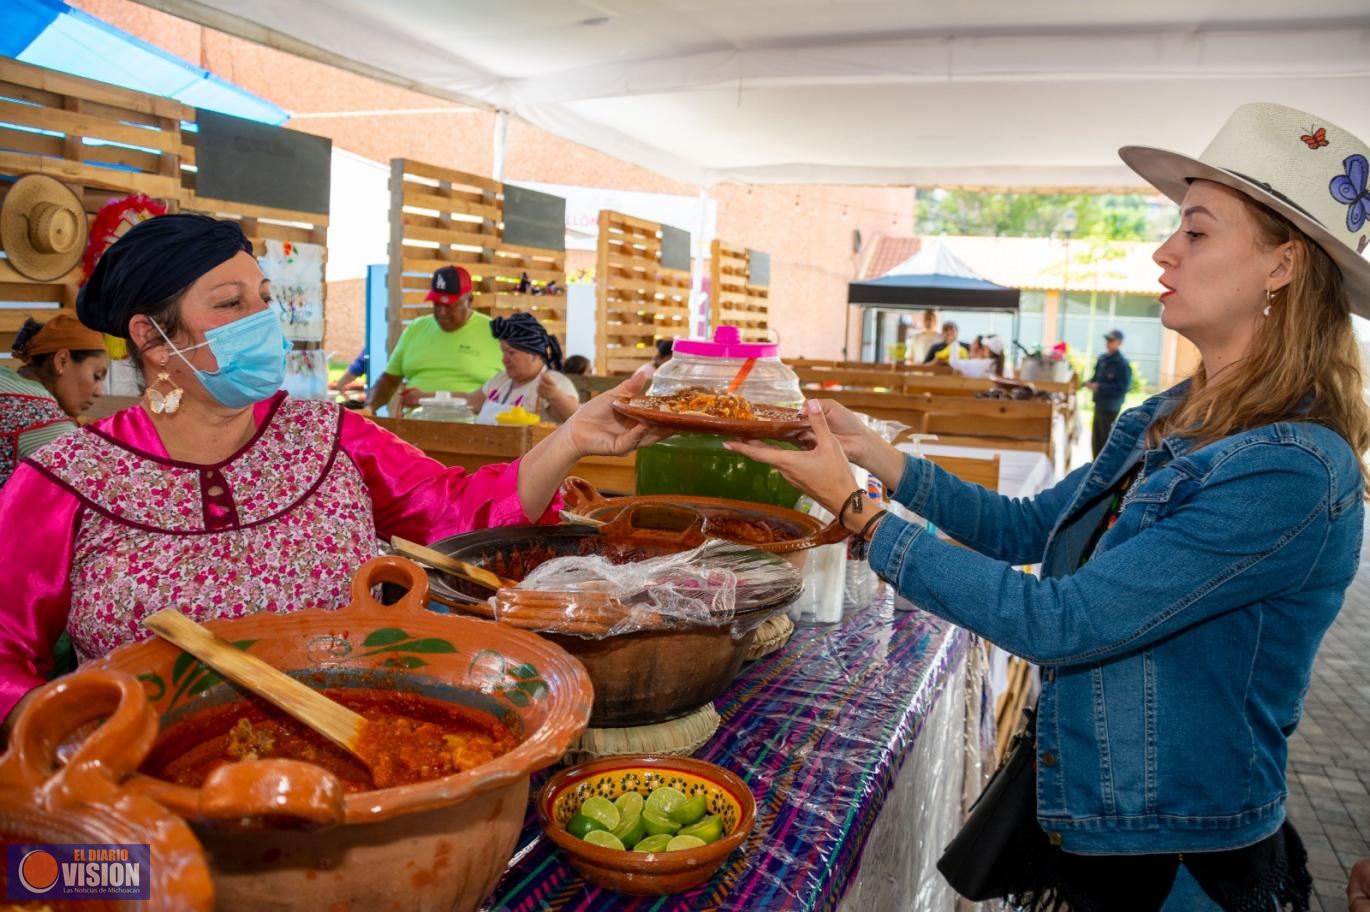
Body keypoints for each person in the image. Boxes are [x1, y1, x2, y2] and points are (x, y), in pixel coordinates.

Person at [727, 102, 1370, 910]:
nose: (1163, 251)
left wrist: (858, 513)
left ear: (1283, 266)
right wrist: (870, 449)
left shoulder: (1291, 469)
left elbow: (1059, 621)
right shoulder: (1167, 415)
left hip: (1176, 849)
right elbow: (1025, 530)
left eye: (1197, 233)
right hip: (1094, 814)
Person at [0, 214, 662, 728]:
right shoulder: (66, 477)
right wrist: (57, 740)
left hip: (355, 755)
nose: (261, 320)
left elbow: (458, 509)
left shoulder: (330, 436)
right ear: (150, 337)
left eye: (264, 298)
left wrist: (572, 437)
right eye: (230, 304)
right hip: (143, 802)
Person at [366, 265, 502, 413]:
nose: (442, 313)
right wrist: (369, 407)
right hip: (415, 427)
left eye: (450, 306)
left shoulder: (497, 332)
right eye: (436, 305)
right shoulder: (416, 328)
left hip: (472, 429)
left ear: (469, 300)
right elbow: (389, 380)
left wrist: (426, 398)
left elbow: (509, 389)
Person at [1, 315, 108, 488]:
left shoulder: (5, 379)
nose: (99, 392)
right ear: (62, 361)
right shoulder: (36, 412)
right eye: (97, 376)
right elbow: (98, 485)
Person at [468, 313, 579, 424]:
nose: (504, 359)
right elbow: (471, 402)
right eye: (503, 352)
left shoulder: (553, 381)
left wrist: (555, 396)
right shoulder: (502, 379)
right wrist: (450, 397)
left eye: (511, 353)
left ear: (534, 354)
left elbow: (575, 417)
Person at [1087, 329, 1132, 457]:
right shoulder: (1103, 359)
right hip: (1099, 403)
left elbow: (1123, 387)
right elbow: (1096, 377)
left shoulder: (1122, 364)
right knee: (1096, 437)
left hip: (1111, 406)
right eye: (1107, 340)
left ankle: (1102, 465)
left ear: (1119, 343)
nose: (1108, 343)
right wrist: (1090, 383)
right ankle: (1094, 462)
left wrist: (1100, 387)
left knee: (1105, 438)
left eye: (1111, 340)